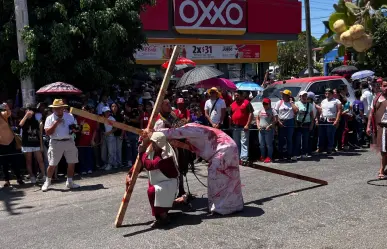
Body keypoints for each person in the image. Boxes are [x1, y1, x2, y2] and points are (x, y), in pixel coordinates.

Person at [146, 123, 244, 215]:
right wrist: (178, 144)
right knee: (231, 179)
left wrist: (153, 132)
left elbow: (173, 132)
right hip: (230, 146)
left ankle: (221, 208)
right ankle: (234, 205)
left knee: (217, 179)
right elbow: (194, 148)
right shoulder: (195, 131)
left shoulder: (189, 127)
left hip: (223, 150)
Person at [126, 132, 179, 228]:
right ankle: (161, 215)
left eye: (154, 142)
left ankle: (163, 218)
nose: (152, 145)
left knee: (152, 191)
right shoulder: (152, 152)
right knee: (152, 186)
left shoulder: (166, 154)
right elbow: (140, 164)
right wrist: (130, 174)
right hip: (159, 182)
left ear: (159, 143)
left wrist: (142, 153)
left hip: (169, 183)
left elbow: (150, 165)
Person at [42, 99, 80, 191]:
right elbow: (47, 132)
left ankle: (70, 182)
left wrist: (75, 130)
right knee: (52, 164)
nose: (59, 110)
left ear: (63, 108)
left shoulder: (70, 116)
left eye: (60, 108)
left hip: (69, 140)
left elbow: (75, 128)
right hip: (56, 142)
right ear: (53, 109)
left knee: (72, 162)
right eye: (56, 108)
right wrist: (55, 124)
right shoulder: (49, 118)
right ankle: (47, 182)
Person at [19, 104, 46, 183]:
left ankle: (44, 175)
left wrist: (41, 145)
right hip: (27, 143)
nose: (28, 113)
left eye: (29, 111)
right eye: (26, 111)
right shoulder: (24, 120)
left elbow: (40, 134)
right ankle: (31, 176)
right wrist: (26, 116)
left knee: (40, 160)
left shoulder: (36, 121)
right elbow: (20, 125)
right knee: (29, 160)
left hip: (36, 143)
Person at [0, 103, 24, 187]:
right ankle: (7, 180)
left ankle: (19, 178)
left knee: (15, 161)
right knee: (4, 163)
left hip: (11, 140)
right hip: (1, 143)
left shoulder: (2, 115)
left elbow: (9, 113)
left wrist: (7, 107)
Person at [367, 79, 387, 179]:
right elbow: (371, 113)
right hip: (381, 128)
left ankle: (382, 169)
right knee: (383, 150)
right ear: (381, 86)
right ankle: (382, 169)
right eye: (384, 85)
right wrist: (368, 126)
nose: (386, 88)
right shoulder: (376, 98)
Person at [230, 90, 254, 164]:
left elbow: (251, 114)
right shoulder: (232, 104)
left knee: (244, 143)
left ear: (241, 95)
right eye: (235, 95)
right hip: (235, 127)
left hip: (244, 127)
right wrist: (230, 124)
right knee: (236, 143)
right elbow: (230, 115)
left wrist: (247, 124)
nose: (236, 97)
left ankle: (243, 158)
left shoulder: (246, 103)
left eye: (237, 95)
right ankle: (237, 158)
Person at [274, 89, 299, 161]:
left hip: (290, 121)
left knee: (289, 139)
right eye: (283, 95)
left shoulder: (292, 103)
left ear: (288, 96)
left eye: (284, 95)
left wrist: (291, 102)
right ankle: (280, 154)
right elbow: (275, 112)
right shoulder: (279, 102)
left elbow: (296, 111)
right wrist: (279, 121)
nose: (283, 96)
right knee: (281, 139)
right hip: (281, 121)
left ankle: (289, 154)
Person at [316, 88, 342, 155]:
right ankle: (320, 148)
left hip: (331, 119)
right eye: (326, 93)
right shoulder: (323, 101)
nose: (327, 95)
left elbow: (339, 111)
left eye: (329, 93)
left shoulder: (337, 101)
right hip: (323, 119)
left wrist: (337, 120)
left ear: (332, 94)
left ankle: (330, 148)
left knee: (330, 135)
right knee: (321, 135)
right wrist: (318, 119)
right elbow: (320, 110)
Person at [76, 105, 97, 175]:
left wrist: (93, 140)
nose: (83, 111)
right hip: (80, 141)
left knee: (89, 155)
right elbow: (76, 129)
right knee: (81, 156)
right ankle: (82, 169)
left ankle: (89, 168)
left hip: (89, 140)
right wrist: (80, 126)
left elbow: (94, 130)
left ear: (88, 111)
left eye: (84, 110)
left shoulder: (92, 118)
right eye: (82, 110)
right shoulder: (79, 118)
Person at [256, 98, 278, 163]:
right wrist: (258, 125)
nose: (264, 105)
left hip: (269, 129)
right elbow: (257, 118)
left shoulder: (273, 111)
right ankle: (262, 156)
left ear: (269, 104)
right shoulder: (261, 110)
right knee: (261, 144)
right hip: (261, 129)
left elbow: (276, 120)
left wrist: (270, 125)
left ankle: (269, 157)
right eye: (263, 103)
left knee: (269, 144)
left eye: (266, 104)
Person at [294, 91, 314, 159]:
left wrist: (311, 124)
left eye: (305, 96)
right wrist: (295, 123)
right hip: (298, 123)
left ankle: (304, 153)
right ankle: (297, 154)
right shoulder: (296, 103)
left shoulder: (310, 105)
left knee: (305, 140)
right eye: (303, 96)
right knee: (297, 140)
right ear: (300, 97)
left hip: (307, 124)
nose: (304, 97)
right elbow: (294, 114)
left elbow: (312, 116)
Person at [101, 106, 117, 171]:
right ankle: (105, 163)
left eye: (108, 111)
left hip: (110, 136)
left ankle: (110, 164)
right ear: (104, 112)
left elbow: (116, 128)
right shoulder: (101, 119)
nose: (108, 113)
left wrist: (109, 133)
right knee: (103, 152)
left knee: (110, 151)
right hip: (104, 136)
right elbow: (100, 128)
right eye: (106, 112)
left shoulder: (112, 119)